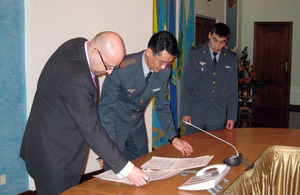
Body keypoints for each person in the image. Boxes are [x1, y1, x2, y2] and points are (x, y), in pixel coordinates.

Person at [20, 31, 149, 195]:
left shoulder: (79, 45)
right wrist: (127, 169)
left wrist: (105, 152)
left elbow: (85, 116)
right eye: (108, 66)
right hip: (53, 158)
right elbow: (91, 129)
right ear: (95, 52)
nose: (109, 72)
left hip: (49, 138)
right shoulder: (76, 79)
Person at [98, 31, 193, 165]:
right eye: (162, 62)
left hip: (137, 130)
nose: (164, 67)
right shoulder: (122, 68)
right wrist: (106, 146)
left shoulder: (164, 72)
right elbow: (106, 110)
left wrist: (173, 137)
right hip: (115, 128)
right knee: (114, 176)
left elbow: (162, 105)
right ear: (149, 52)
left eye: (168, 62)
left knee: (142, 169)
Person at [180, 23, 238, 135]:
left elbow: (232, 90)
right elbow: (186, 86)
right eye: (215, 40)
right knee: (193, 146)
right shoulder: (195, 54)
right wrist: (185, 112)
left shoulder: (231, 58)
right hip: (195, 113)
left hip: (217, 113)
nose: (217, 45)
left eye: (222, 42)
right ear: (209, 35)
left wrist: (231, 116)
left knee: (215, 148)